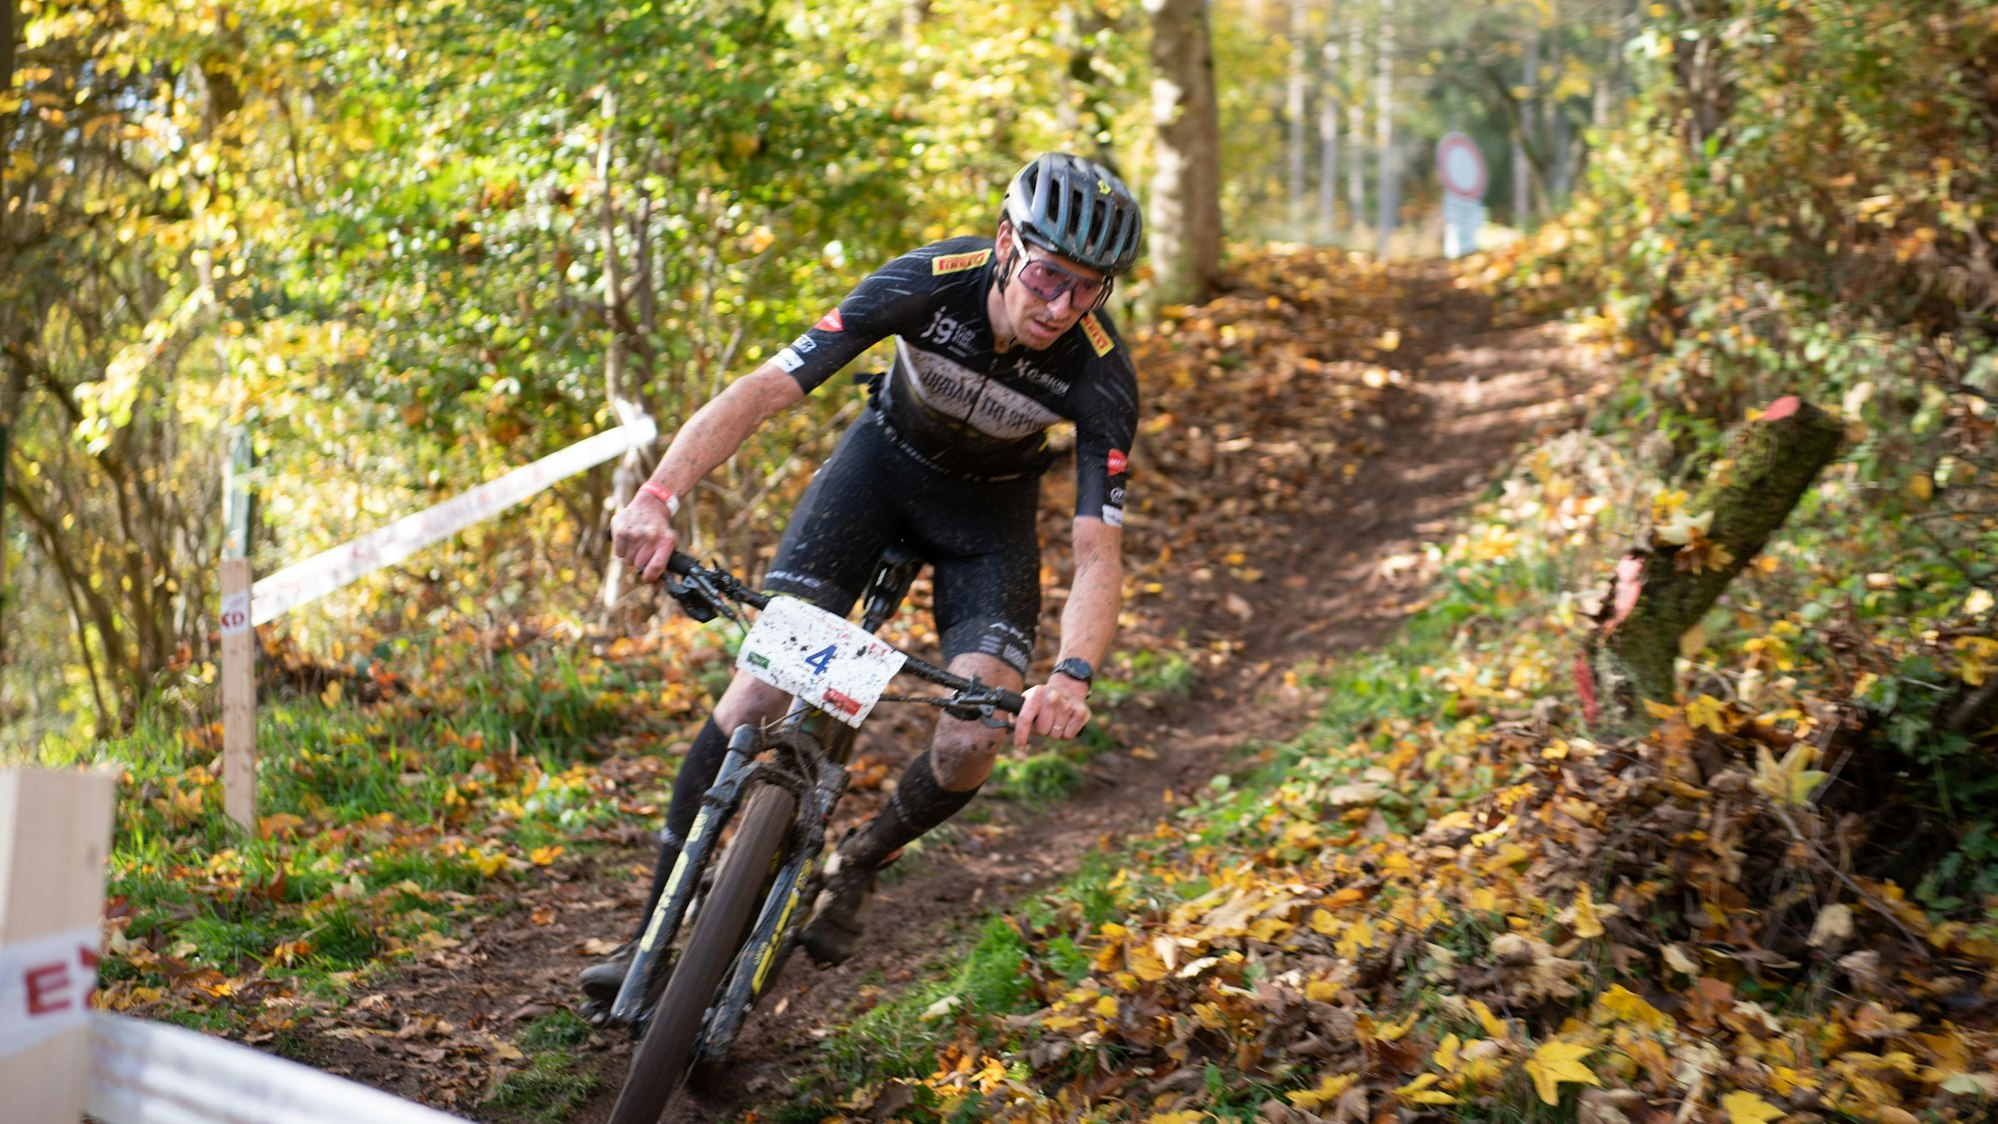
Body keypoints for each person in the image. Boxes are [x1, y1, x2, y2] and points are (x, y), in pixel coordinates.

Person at [581, 152, 1144, 1011]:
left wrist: (1070, 676)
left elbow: (1098, 549)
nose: (1060, 306)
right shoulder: (929, 281)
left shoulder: (1101, 372)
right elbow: (767, 389)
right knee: (759, 693)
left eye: (1087, 289)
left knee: (973, 738)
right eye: (1046, 277)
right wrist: (658, 496)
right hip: (878, 472)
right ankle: (654, 926)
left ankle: (862, 861)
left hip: (985, 522)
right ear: (1005, 244)